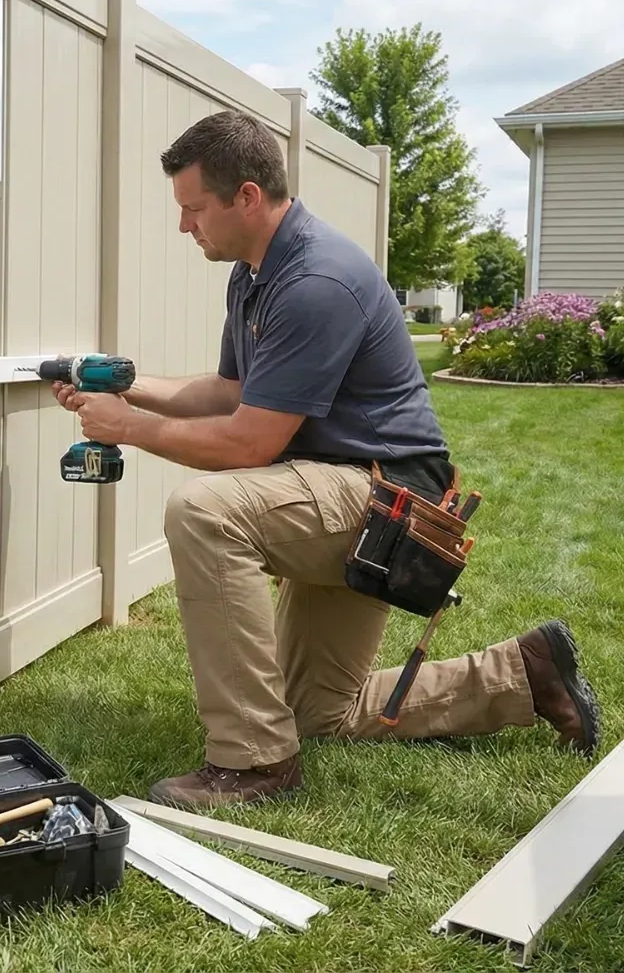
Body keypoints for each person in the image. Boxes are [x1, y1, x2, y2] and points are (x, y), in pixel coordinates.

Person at [50, 109, 600, 810]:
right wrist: (132, 389)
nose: (185, 226)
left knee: (205, 511)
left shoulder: (316, 281)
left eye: (193, 209)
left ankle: (252, 765)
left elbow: (251, 444)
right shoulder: (255, 274)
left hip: (389, 503)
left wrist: (128, 427)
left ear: (247, 196)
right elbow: (235, 391)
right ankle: (525, 674)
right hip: (349, 490)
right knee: (318, 714)